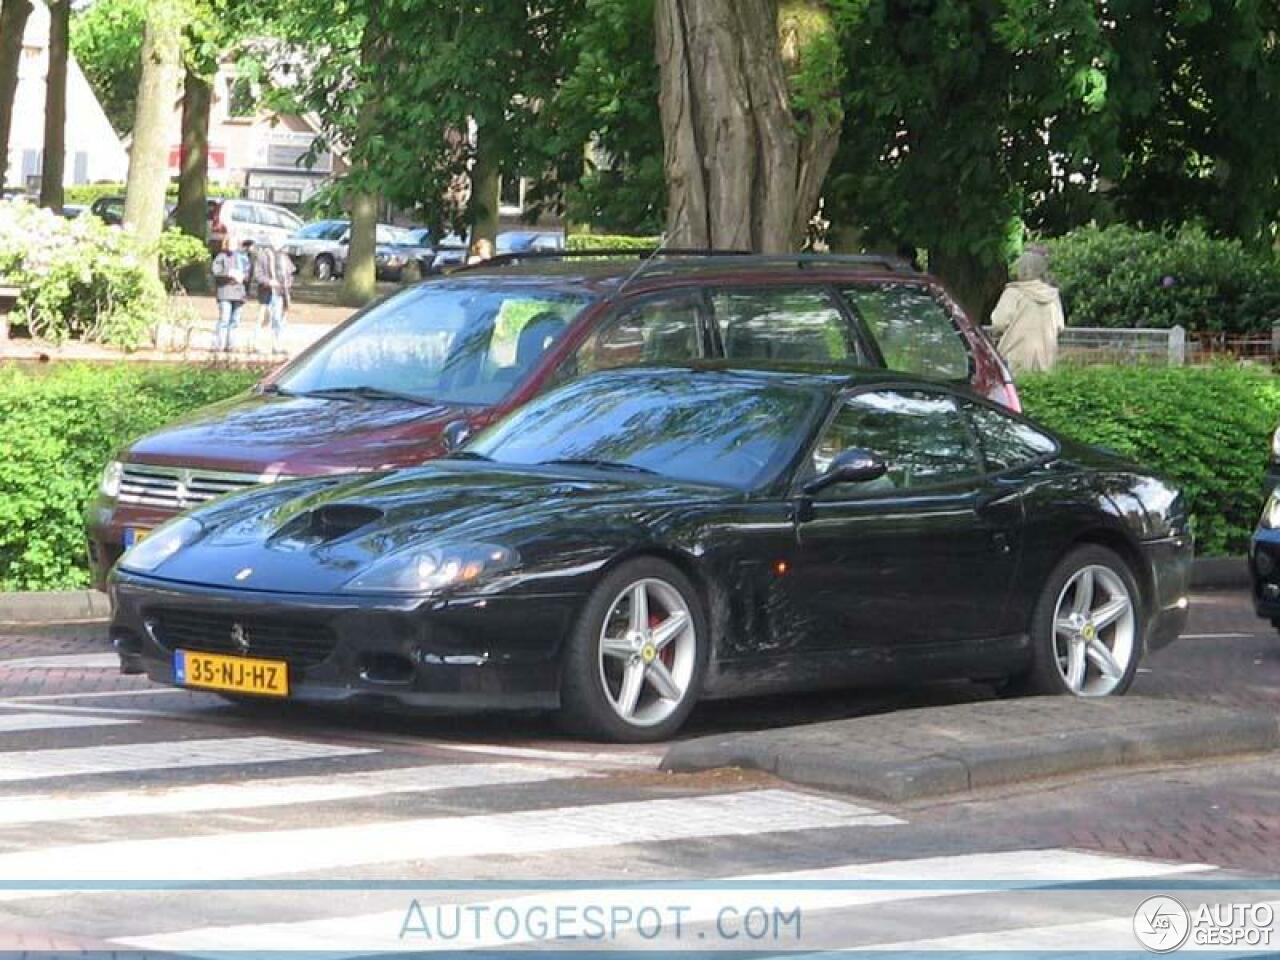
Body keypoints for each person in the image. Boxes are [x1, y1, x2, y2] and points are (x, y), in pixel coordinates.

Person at [990, 246, 1065, 375]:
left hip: (1013, 360)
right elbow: (1060, 327)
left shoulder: (1013, 293)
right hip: (1046, 361)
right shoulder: (1052, 295)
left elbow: (999, 323)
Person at [211, 237, 250, 352]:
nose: (233, 246)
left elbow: (247, 273)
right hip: (225, 292)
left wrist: (243, 276)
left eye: (235, 243)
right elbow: (216, 272)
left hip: (239, 293)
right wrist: (229, 274)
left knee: (235, 321)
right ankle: (218, 345)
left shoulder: (242, 258)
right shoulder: (221, 257)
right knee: (224, 319)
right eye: (231, 243)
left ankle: (231, 345)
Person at [248, 240, 276, 353]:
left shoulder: (281, 256)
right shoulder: (262, 256)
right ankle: (255, 343)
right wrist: (269, 282)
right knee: (261, 318)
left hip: (278, 293)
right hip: (266, 291)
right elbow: (258, 275)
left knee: (274, 320)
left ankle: (274, 345)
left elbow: (286, 273)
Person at [268, 247, 296, 356]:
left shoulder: (286, 259)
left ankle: (279, 344)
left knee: (283, 320)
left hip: (284, 293)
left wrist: (288, 288)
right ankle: (275, 345)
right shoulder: (274, 258)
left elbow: (289, 275)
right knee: (276, 319)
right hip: (276, 292)